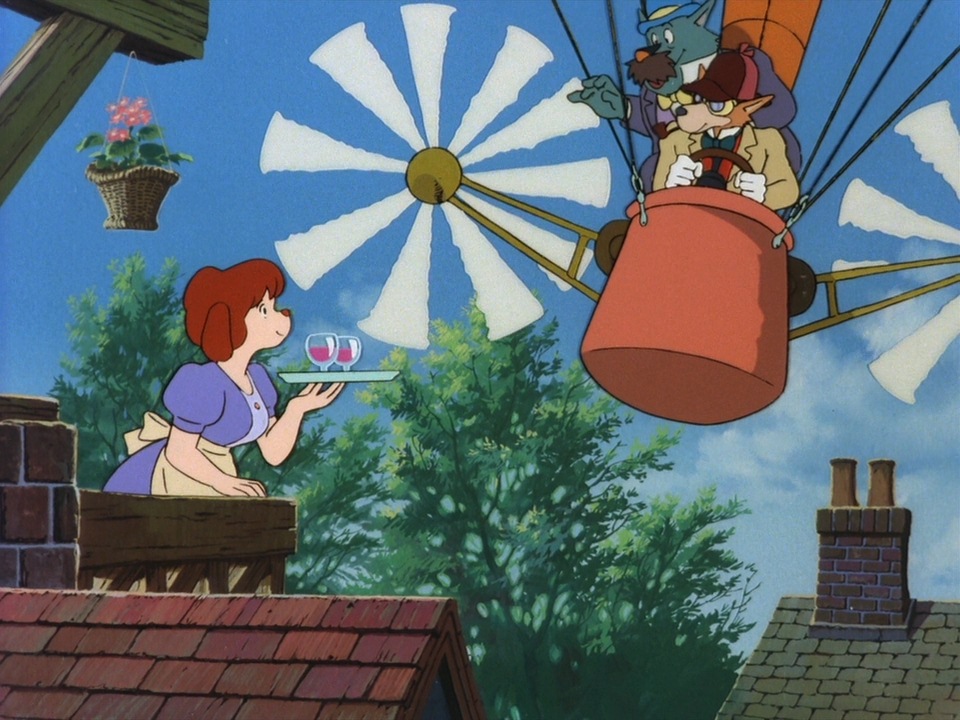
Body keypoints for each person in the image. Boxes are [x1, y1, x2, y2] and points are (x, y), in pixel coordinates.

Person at [103, 258, 344, 496]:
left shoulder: (258, 379)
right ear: (232, 319)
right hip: (179, 475)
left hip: (219, 473)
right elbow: (179, 452)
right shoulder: (203, 382)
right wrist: (223, 482)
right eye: (264, 310)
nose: (281, 315)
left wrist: (296, 409)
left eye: (273, 307)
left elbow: (273, 453)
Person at [654, 46, 799, 212]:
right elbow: (657, 190)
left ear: (748, 107)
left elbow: (789, 190)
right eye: (700, 98)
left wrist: (763, 193)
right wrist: (670, 183)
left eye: (717, 105)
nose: (698, 109)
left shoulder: (767, 141)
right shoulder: (675, 140)